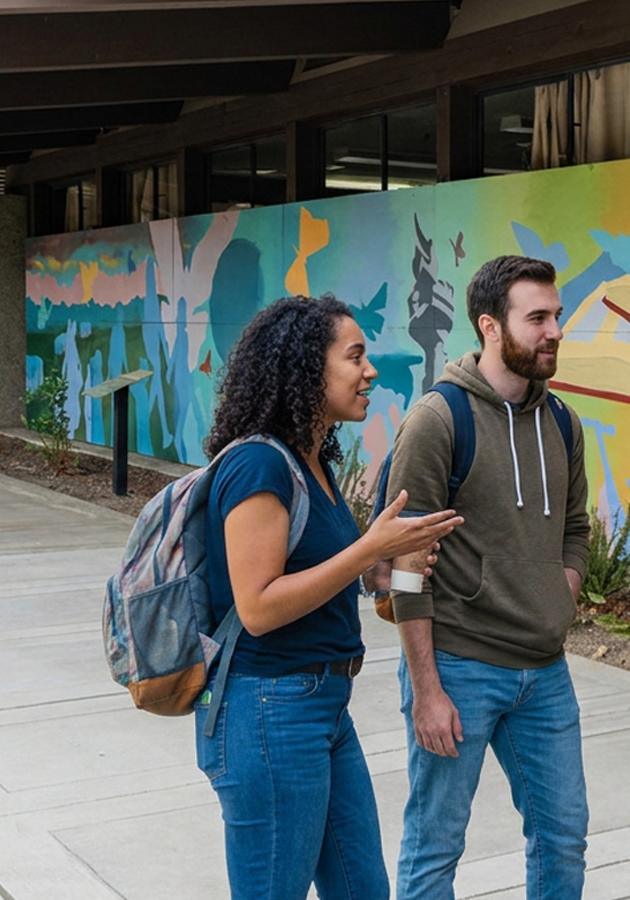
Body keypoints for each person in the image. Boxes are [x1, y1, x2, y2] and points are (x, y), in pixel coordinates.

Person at [195, 295, 462, 900]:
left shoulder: (308, 459)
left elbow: (320, 572)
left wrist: (385, 567)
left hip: (322, 704)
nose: (370, 371)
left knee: (363, 889)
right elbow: (259, 606)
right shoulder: (260, 465)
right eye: (355, 356)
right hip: (268, 709)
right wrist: (368, 550)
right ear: (305, 369)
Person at [383, 255, 592, 900]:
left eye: (557, 315)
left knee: (564, 836)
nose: (555, 329)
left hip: (545, 672)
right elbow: (405, 564)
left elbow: (577, 530)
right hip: (460, 666)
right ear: (490, 327)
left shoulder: (562, 421)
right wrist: (426, 689)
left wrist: (558, 597)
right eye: (537, 318)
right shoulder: (439, 419)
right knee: (437, 844)